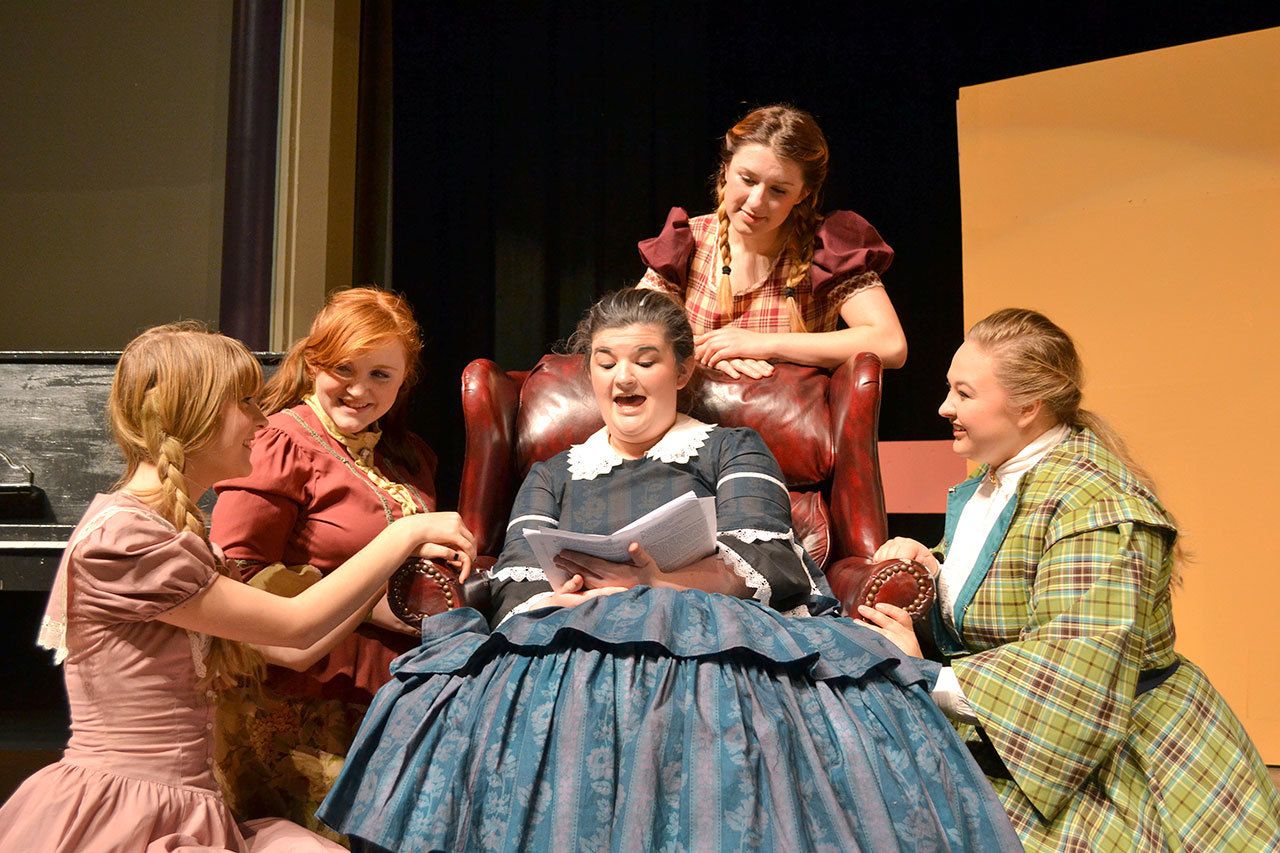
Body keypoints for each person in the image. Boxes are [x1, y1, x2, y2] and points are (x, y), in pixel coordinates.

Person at [315, 289, 1019, 851]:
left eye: (645, 359)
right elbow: (520, 571)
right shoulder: (556, 470)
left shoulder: (730, 447)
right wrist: (556, 598)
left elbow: (767, 552)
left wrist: (663, 583)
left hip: (715, 625)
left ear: (681, 371)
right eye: (607, 360)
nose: (624, 376)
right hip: (569, 630)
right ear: (589, 371)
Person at [0, 322, 474, 852]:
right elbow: (295, 626)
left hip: (192, 805)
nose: (262, 418)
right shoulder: (126, 539)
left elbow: (292, 650)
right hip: (132, 811)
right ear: (194, 414)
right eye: (245, 402)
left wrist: (392, 565)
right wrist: (403, 533)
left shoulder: (168, 533)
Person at [860, 308, 1280, 851]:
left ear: (1029, 407)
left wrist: (922, 674)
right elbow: (1008, 571)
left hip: (1104, 749)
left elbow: (1076, 660)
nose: (944, 408)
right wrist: (934, 562)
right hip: (1009, 730)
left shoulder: (1097, 504)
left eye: (964, 394)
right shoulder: (1001, 475)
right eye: (949, 390)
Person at [209, 287, 466, 838]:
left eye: (381, 375)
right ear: (312, 362)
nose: (358, 389)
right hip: (301, 705)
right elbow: (239, 581)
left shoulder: (408, 454)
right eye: (343, 368)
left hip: (395, 696)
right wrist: (375, 603)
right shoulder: (279, 441)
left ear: (404, 381)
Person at [636, 104, 907, 380]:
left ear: (803, 193)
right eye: (747, 179)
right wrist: (707, 355)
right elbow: (631, 333)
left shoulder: (827, 246)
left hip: (789, 418)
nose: (756, 202)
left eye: (778, 190)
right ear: (726, 168)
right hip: (697, 417)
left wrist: (762, 344)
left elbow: (890, 344)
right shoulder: (689, 239)